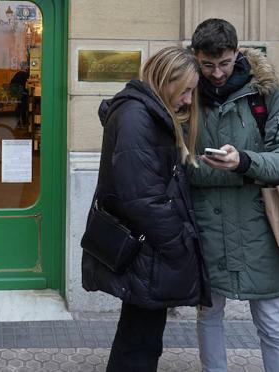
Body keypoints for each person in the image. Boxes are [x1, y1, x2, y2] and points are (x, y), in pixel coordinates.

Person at [82, 46, 211, 372]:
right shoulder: (137, 116)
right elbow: (141, 197)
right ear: (165, 80)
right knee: (139, 344)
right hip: (150, 248)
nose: (187, 100)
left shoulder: (145, 112)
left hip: (150, 248)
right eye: (185, 90)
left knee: (140, 336)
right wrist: (178, 244)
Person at [189, 18, 279, 372]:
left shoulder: (266, 93)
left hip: (261, 227)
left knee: (270, 320)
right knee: (208, 313)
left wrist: (244, 162)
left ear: (237, 53)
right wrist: (227, 170)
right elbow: (174, 161)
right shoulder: (186, 91)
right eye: (208, 65)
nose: (217, 73)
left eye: (224, 63)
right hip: (206, 225)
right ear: (196, 57)